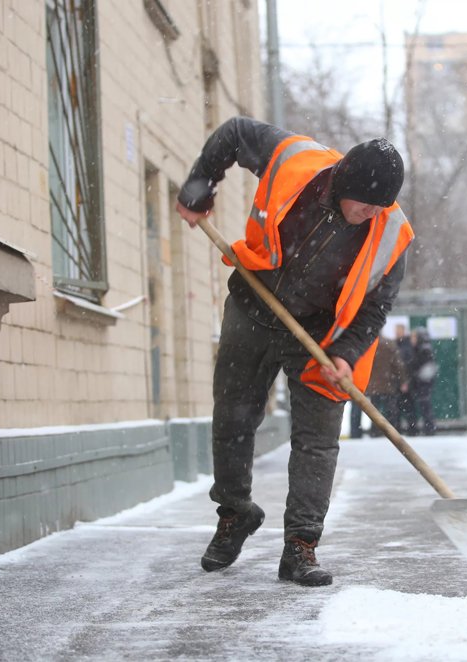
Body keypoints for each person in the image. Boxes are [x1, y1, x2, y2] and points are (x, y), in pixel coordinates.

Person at [176, 116, 413, 586]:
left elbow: (375, 306)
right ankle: (235, 512)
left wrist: (346, 352)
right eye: (365, 204)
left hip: (321, 337)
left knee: (318, 440)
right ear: (344, 181)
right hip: (253, 302)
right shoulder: (294, 160)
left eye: (380, 206)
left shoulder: (390, 234)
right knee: (233, 417)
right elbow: (235, 133)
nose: (371, 214)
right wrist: (199, 186)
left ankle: (301, 546)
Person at [364, 336, 407, 436]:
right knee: (391, 409)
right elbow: (398, 364)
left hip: (373, 385)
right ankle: (392, 431)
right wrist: (402, 380)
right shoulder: (390, 344)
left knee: (374, 410)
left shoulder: (369, 344)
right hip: (388, 383)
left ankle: (375, 431)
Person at [408, 327, 438, 435]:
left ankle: (429, 428)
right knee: (424, 406)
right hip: (421, 383)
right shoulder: (421, 348)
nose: (411, 339)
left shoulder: (424, 349)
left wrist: (417, 376)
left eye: (413, 337)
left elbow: (426, 368)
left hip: (423, 383)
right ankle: (428, 428)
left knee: (425, 406)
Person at [393, 323, 417, 434]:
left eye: (399, 331)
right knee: (398, 407)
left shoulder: (406, 345)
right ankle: (400, 429)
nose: (397, 333)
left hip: (406, 381)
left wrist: (405, 380)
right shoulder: (396, 344)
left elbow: (408, 364)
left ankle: (412, 429)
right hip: (397, 381)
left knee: (408, 406)